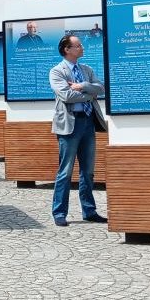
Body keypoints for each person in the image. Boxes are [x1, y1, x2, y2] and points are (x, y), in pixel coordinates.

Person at [49, 34, 107, 227]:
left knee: (88, 171)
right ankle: (59, 212)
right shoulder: (57, 72)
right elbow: (66, 95)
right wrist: (89, 95)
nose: (82, 48)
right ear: (67, 49)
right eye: (78, 45)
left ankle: (89, 210)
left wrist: (82, 86)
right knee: (65, 171)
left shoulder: (86, 70)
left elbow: (101, 88)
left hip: (88, 123)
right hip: (69, 125)